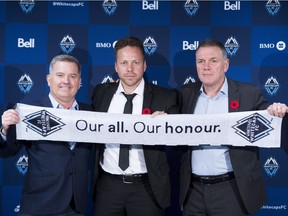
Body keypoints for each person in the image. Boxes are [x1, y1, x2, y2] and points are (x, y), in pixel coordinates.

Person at [179, 39, 288, 216]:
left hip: (232, 190)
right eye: (201, 61)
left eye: (213, 61)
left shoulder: (248, 93)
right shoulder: (185, 93)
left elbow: (267, 118)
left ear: (226, 64)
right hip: (193, 192)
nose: (206, 66)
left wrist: (276, 110)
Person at [91, 36, 178, 216]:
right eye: (124, 63)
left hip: (147, 188)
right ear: (116, 67)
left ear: (144, 65)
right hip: (108, 186)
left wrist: (170, 122)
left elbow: (181, 137)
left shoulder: (166, 97)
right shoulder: (101, 93)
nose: (129, 69)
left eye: (135, 62)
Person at [0, 54, 93, 216]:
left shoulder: (92, 113)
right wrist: (4, 130)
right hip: (38, 206)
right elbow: (7, 151)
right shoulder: (28, 111)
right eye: (60, 75)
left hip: (76, 207)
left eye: (72, 76)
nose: (66, 81)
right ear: (49, 80)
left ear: (80, 81)